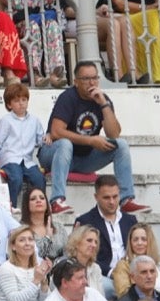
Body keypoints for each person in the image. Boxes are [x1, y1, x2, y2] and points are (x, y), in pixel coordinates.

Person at [40, 63, 148, 217]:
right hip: (54, 155)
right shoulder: (68, 97)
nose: (92, 83)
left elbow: (114, 134)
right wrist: (90, 141)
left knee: (121, 145)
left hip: (83, 158)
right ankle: (57, 201)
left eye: (95, 78)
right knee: (65, 144)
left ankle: (126, 200)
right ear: (76, 81)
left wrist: (103, 104)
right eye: (86, 79)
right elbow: (56, 132)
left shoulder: (103, 99)